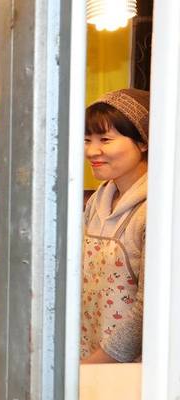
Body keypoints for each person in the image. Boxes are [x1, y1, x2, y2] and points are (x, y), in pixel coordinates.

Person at [81, 89, 149, 363]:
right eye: (87, 140)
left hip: (131, 376)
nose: (91, 151)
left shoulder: (156, 211)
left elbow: (148, 310)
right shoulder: (97, 201)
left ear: (143, 142)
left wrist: (94, 365)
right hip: (88, 358)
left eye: (105, 140)